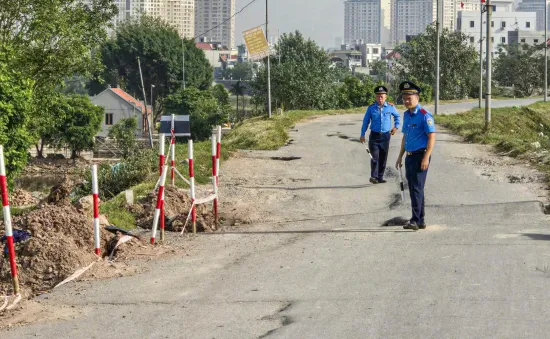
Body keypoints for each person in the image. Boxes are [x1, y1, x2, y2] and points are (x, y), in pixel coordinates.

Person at [395, 81, 436, 231]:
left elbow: (432, 136)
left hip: (420, 156)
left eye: (409, 98)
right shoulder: (407, 115)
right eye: (404, 98)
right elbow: (405, 137)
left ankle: (415, 220)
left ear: (417, 98)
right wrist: (400, 156)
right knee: (415, 187)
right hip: (410, 156)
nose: (406, 101)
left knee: (416, 188)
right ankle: (421, 219)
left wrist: (426, 157)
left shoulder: (425, 115)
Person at [360, 86, 400, 184]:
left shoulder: (390, 107)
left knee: (383, 157)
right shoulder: (371, 108)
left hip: (385, 136)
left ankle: (380, 177)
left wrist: (396, 127)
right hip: (374, 136)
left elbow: (397, 117)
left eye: (382, 96)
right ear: (375, 97)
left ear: (385, 97)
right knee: (374, 157)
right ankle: (373, 176)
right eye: (378, 96)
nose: (380, 99)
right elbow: (366, 121)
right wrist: (362, 134)